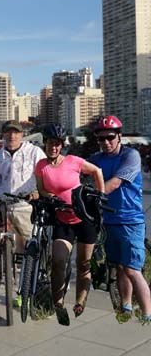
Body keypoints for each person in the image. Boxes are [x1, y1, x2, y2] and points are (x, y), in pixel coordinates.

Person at [34, 123, 105, 326]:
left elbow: (97, 171)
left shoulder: (73, 161)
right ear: (45, 144)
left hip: (84, 219)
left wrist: (100, 196)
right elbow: (42, 190)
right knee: (58, 261)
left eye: (57, 144)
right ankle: (58, 302)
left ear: (61, 145)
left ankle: (80, 301)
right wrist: (51, 197)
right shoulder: (41, 166)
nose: (53, 147)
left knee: (83, 264)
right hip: (62, 220)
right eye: (50, 143)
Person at [88, 115, 151, 324]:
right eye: (101, 138)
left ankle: (147, 315)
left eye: (110, 137)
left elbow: (115, 183)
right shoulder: (97, 159)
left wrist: (92, 193)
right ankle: (125, 305)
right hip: (108, 221)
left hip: (130, 221)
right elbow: (76, 170)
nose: (106, 142)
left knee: (133, 269)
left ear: (119, 137)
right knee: (120, 266)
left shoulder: (130, 155)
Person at [0, 120, 45, 306]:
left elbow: (45, 173)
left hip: (25, 207)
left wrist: (40, 192)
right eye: (8, 133)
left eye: (16, 133)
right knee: (8, 251)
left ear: (22, 135)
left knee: (26, 250)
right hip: (4, 206)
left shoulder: (34, 152)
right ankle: (6, 275)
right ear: (3, 135)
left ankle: (24, 289)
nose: (12, 136)